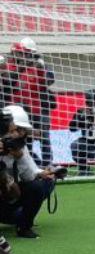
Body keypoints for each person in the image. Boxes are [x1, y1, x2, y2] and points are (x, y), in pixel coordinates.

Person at [0, 105, 57, 239]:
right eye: (14, 130)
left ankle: (24, 226)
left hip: (10, 198)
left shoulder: (18, 145)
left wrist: (19, 157)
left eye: (19, 130)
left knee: (41, 184)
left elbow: (29, 176)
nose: (18, 134)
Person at [9, 38, 55, 166]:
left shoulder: (38, 66)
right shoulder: (9, 66)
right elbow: (9, 80)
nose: (25, 56)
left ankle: (48, 164)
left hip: (37, 108)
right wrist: (20, 68)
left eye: (28, 54)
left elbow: (48, 81)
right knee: (24, 139)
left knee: (44, 137)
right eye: (23, 53)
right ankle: (29, 164)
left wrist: (40, 67)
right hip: (17, 110)